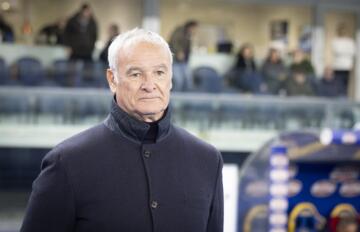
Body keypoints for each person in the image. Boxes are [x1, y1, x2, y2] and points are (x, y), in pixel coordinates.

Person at [20, 28, 224, 232]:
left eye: (159, 73)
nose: (149, 85)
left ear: (170, 79)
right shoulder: (67, 163)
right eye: (136, 74)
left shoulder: (207, 160)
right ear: (112, 79)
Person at [169, 20, 198, 91]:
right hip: (176, 60)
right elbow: (174, 41)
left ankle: (186, 99)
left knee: (188, 81)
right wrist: (179, 51)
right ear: (190, 26)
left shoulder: (188, 34)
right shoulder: (180, 31)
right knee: (178, 80)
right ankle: (176, 99)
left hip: (184, 61)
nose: (196, 30)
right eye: (195, 28)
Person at [332, 23, 356, 94]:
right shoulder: (335, 41)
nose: (343, 32)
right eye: (341, 30)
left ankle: (344, 97)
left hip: (347, 66)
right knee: (337, 83)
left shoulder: (350, 41)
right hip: (337, 66)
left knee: (345, 84)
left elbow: (353, 52)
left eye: (344, 30)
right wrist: (346, 51)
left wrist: (343, 52)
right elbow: (337, 51)